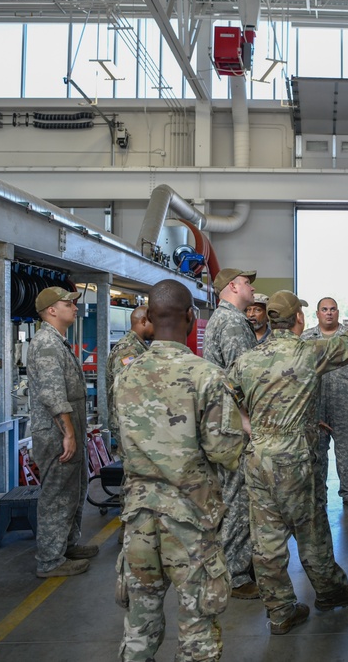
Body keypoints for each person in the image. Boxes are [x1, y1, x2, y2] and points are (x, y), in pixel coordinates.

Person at [227, 279, 348, 635]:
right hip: (292, 458)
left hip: (257, 457)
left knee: (266, 538)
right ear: (299, 318)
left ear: (272, 321)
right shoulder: (308, 352)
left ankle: (280, 611)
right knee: (311, 527)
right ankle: (331, 592)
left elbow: (227, 397)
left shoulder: (247, 359)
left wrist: (251, 425)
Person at [114, 279, 248, 662]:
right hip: (189, 520)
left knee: (139, 622)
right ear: (191, 317)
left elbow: (120, 439)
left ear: (150, 319)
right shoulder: (206, 376)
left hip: (138, 518)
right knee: (197, 624)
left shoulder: (126, 374)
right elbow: (224, 452)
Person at [26, 286, 97, 578]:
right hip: (56, 435)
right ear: (51, 310)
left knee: (75, 489)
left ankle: (66, 545)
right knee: (57, 495)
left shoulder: (59, 342)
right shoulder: (46, 344)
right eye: (69, 303)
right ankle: (50, 560)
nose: (75, 307)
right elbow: (53, 396)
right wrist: (68, 434)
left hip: (70, 430)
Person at [200, 267, 260, 600]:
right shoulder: (234, 323)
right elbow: (243, 378)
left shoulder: (220, 319)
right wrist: (248, 418)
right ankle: (236, 574)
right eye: (248, 283)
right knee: (237, 498)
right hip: (236, 424)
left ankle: (235, 564)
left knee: (231, 496)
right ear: (234, 286)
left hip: (225, 421)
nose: (252, 289)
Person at [302, 297, 348, 511]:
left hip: (345, 405)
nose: (329, 313)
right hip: (315, 407)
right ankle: (318, 495)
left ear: (338, 312)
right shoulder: (306, 338)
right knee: (316, 452)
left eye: (332, 309)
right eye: (324, 309)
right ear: (317, 314)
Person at [106, 305, 154, 442]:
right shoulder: (128, 350)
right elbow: (127, 390)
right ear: (143, 321)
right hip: (129, 426)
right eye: (155, 323)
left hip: (135, 425)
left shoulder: (139, 346)